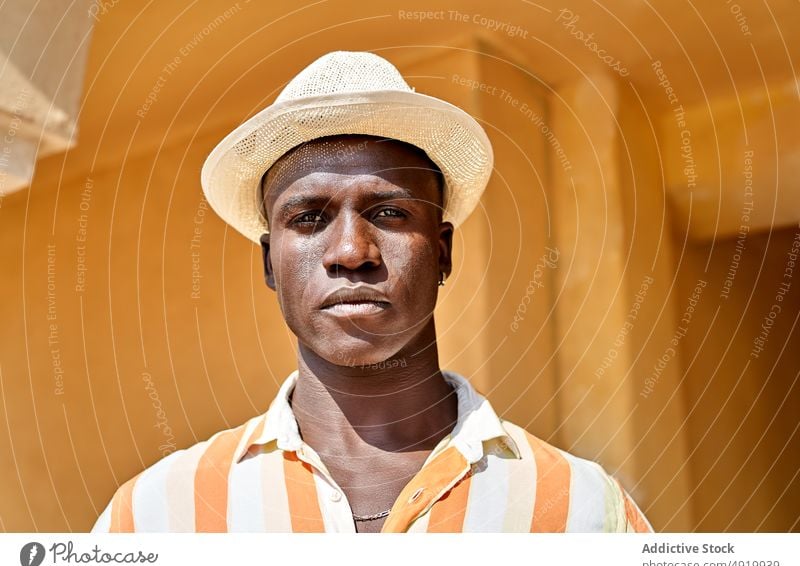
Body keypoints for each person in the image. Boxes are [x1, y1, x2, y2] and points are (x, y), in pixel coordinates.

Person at [92, 51, 652, 533]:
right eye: (309, 218)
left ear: (442, 252)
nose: (351, 252)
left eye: (387, 213)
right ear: (269, 261)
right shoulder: (155, 516)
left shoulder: (579, 510)